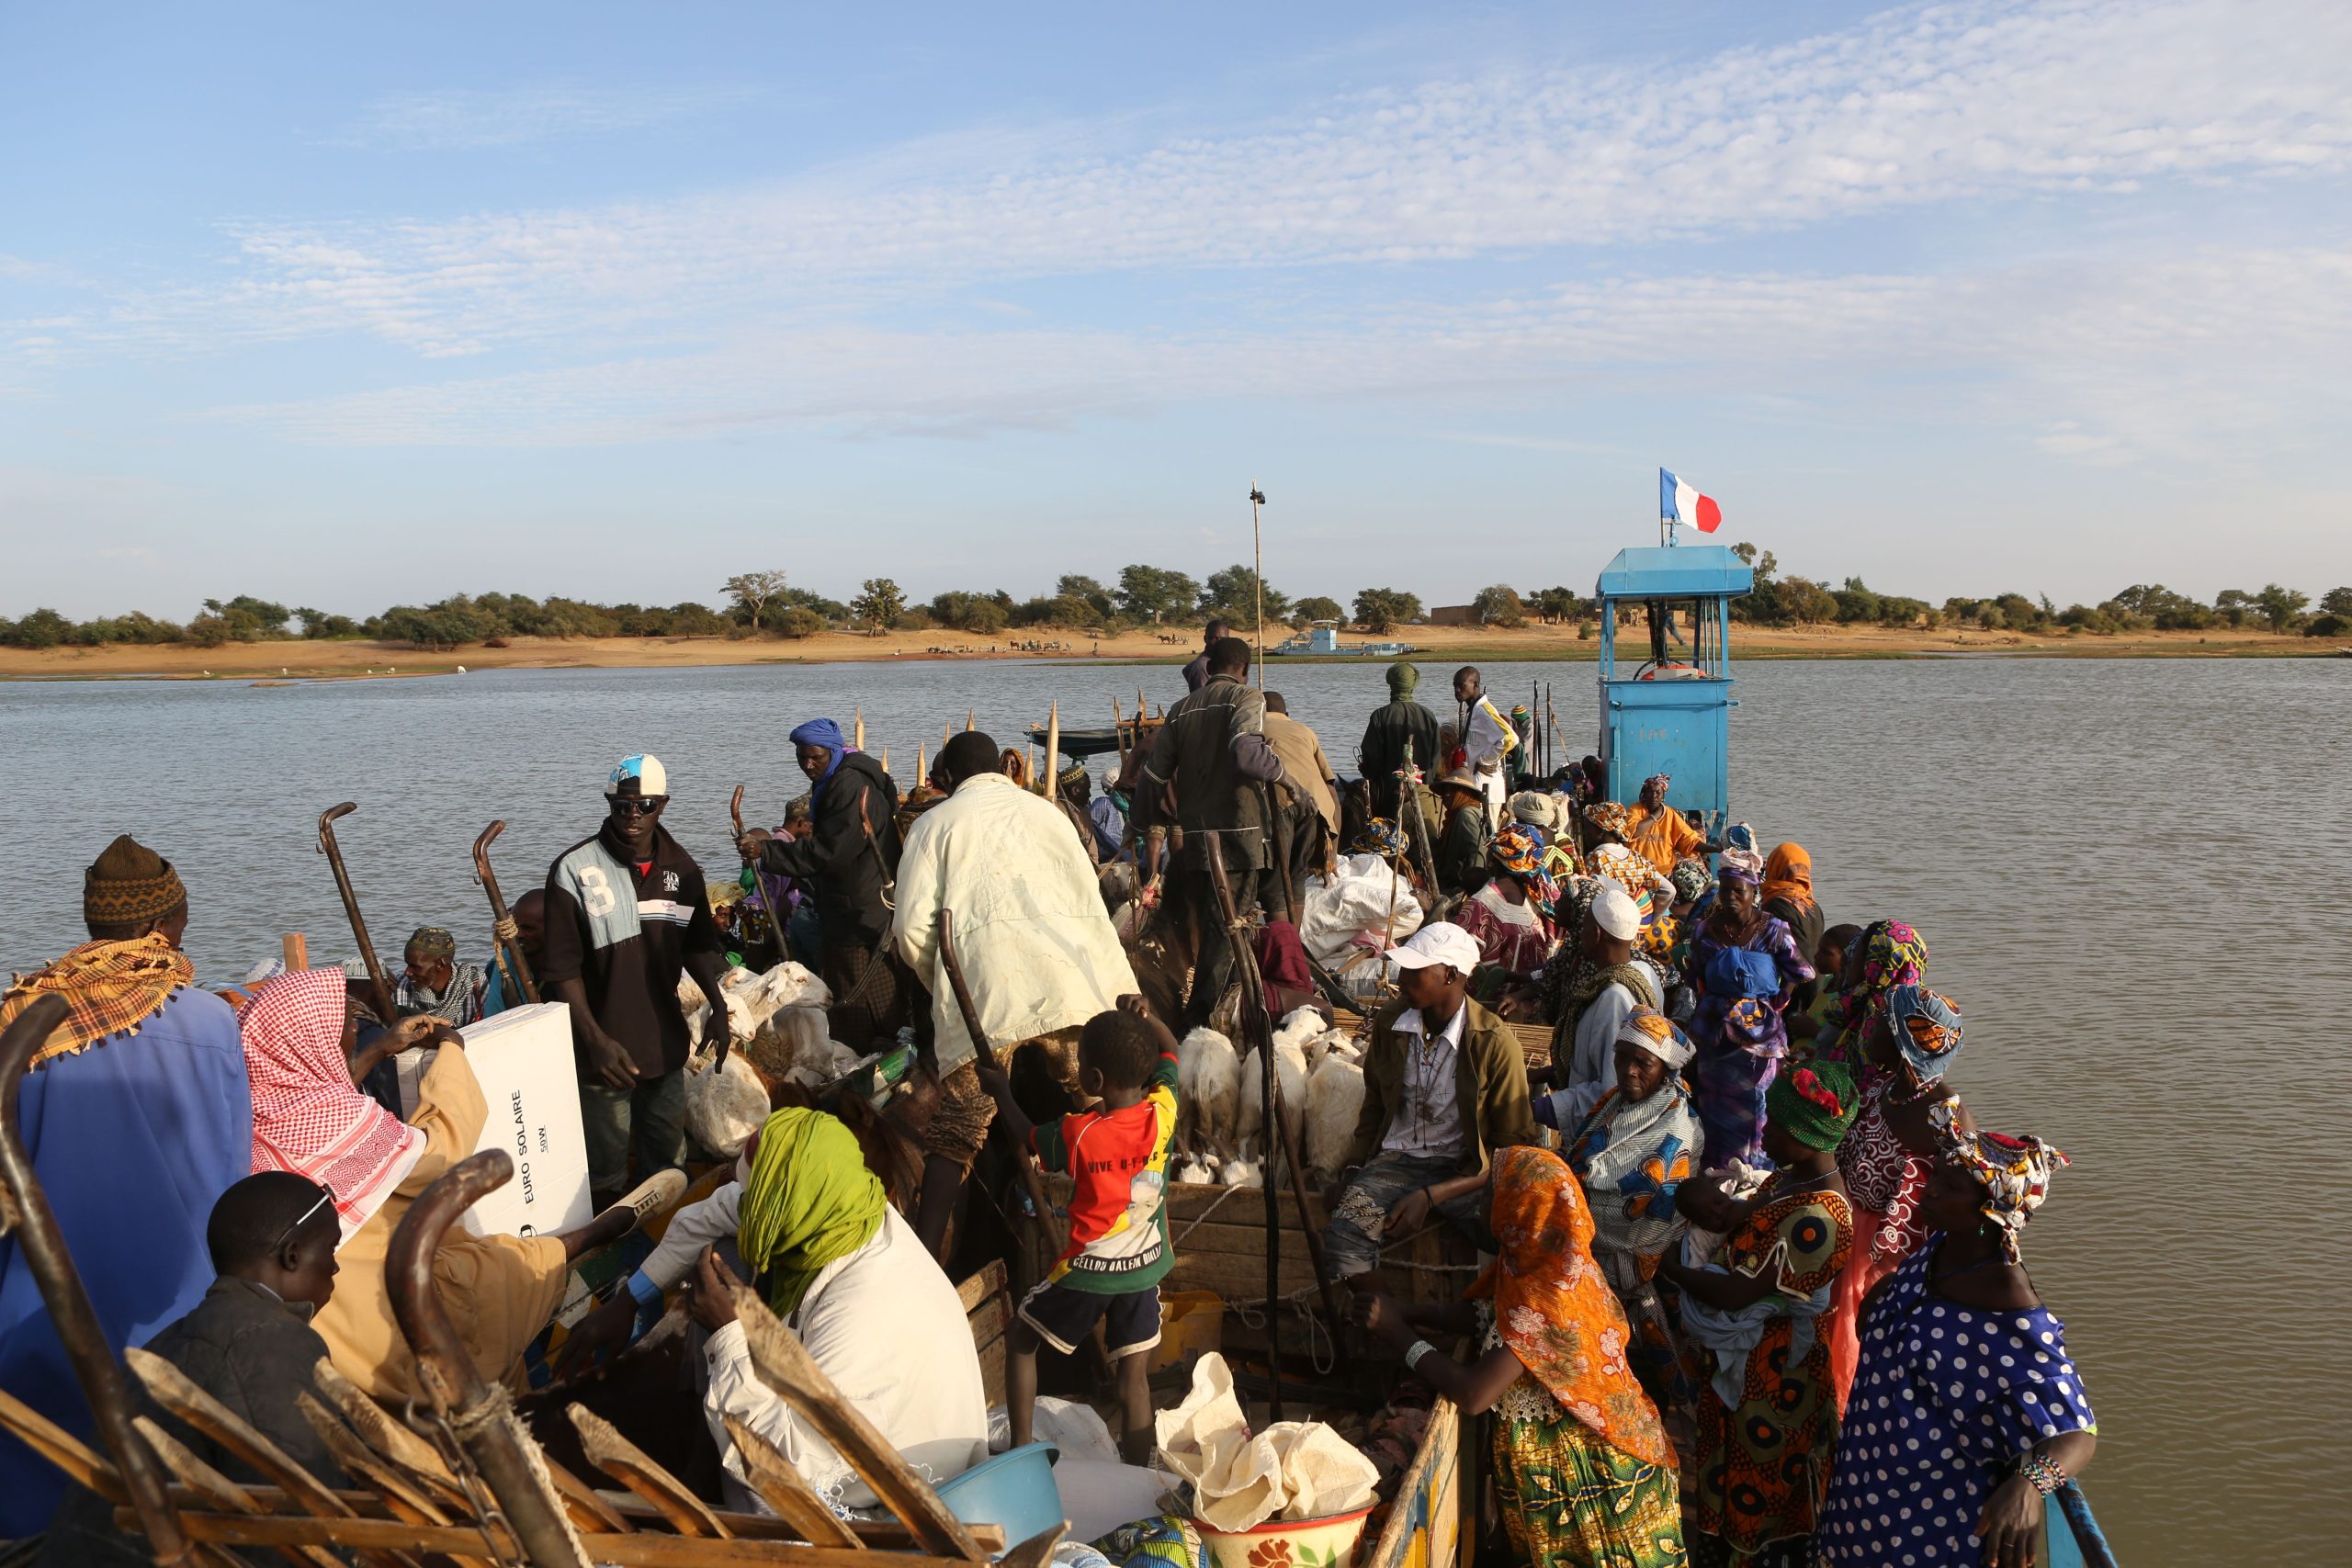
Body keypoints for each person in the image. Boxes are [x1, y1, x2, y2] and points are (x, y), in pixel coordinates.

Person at [241, 968, 662, 1401]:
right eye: (344, 1023)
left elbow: (319, 1087)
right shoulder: (333, 1119)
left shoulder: (250, 1121)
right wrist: (453, 1051)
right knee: (498, 1273)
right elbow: (440, 1151)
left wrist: (382, 1047)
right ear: (310, 1041)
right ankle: (583, 1238)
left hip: (331, 1328)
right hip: (388, 1310)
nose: (353, 1030)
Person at [0, 835, 253, 1537]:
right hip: (177, 1299)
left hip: (42, 1301)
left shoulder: (23, 1019)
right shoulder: (210, 1019)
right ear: (163, 924)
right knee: (169, 1484)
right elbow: (234, 1168)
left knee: (41, 1481)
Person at [572, 1109, 989, 1513]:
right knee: (728, 1255)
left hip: (879, 1508)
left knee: (726, 1292)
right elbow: (715, 1213)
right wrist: (628, 1300)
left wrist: (728, 1333)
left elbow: (799, 1476)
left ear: (783, 1204)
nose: (744, 1205)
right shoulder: (836, 1204)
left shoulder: (860, 1316)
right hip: (851, 1439)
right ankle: (703, 1459)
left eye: (755, 1199)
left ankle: (708, 1480)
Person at [1349, 1145, 1685, 1568]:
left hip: (1594, 1481)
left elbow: (1474, 1394)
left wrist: (1399, 1335)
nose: (1483, 1205)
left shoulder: (1549, 1294)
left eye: (1493, 1194)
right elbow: (1490, 1317)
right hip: (1572, 1469)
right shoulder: (1543, 1260)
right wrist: (1407, 1311)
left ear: (1521, 1207)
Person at [890, 730, 1141, 1252]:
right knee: (1093, 1098)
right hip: (1071, 985)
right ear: (1003, 770)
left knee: (957, 1131)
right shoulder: (1048, 813)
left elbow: (911, 930)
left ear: (948, 778)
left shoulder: (933, 825)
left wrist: (946, 987)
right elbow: (1088, 894)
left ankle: (928, 1258)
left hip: (985, 997)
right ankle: (1124, 1224)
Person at [1818, 1105, 2093, 1567]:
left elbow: (2078, 1432)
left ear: (1990, 1211)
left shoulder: (2009, 1305)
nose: (1930, 1188)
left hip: (1929, 1521)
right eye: (1938, 1176)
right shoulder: (1941, 1248)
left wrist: (2030, 1485)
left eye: (1951, 1187)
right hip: (1867, 1489)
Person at [37, 1172, 348, 1567]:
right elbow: (301, 1516)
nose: (335, 1267)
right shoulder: (270, 1338)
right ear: (293, 1255)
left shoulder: (169, 1342)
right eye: (330, 1249)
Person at [1657, 1061, 1859, 1568]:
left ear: (1807, 1136)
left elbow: (1736, 1296)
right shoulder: (1790, 1179)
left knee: (1760, 1484)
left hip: (1775, 1380)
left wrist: (1671, 1269)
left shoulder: (1820, 1216)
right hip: (1749, 1369)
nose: (1764, 1130)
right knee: (1731, 1473)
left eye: (1778, 1125)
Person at [980, 998, 1177, 1465]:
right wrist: (1150, 1017)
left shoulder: (1080, 1133)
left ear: (1094, 1081)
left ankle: (1021, 1450)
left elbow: (1027, 1134)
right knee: (1134, 1382)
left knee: (1020, 1339)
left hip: (1090, 1269)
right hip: (1145, 1266)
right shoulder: (1163, 1112)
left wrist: (1001, 1091)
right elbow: (1171, 1051)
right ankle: (1138, 1476)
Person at [545, 754, 731, 1210]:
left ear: (662, 805)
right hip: (603, 1054)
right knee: (605, 1172)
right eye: (622, 805)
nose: (633, 814)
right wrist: (595, 1041)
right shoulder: (573, 870)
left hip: (663, 1043)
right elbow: (563, 971)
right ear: (610, 803)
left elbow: (697, 948)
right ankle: (604, 1236)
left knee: (668, 1164)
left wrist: (720, 1006)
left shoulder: (682, 870)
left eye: (644, 805)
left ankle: (664, 1234)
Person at [1321, 923, 1534, 1279]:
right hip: (1396, 1163)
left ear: (1450, 975)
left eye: (1413, 971)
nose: (1401, 980)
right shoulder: (1391, 1023)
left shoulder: (1494, 1042)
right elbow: (1374, 1103)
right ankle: (1381, 1310)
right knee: (1343, 1239)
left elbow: (1511, 1149)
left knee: (1522, 1237)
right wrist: (1354, 1168)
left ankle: (1465, 1309)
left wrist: (1431, 1196)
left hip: (1465, 1171)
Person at [1546, 1010, 1704, 1424]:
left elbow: (1644, 1225)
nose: (1629, 1070)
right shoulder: (1614, 1103)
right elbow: (1582, 1158)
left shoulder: (1676, 1131)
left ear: (1665, 1069)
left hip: (1636, 1276)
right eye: (1622, 1057)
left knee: (1637, 1387)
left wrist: (1572, 1206)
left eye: (1643, 1063)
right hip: (1595, 1264)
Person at [1821, 983, 1971, 1412]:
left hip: (1880, 1255)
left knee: (1854, 1340)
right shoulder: (1885, 1086)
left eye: (1882, 1024)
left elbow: (1963, 1202)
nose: (1870, 1030)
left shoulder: (1948, 1117)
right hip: (1841, 1225)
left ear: (1907, 1038)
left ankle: (1846, 1419)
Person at [1135, 637, 1285, 1026]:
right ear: (1244, 669)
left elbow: (1153, 776)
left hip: (1196, 838)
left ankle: (1216, 1006)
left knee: (1213, 925)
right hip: (1240, 835)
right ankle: (1204, 1016)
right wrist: (1287, 779)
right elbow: (1246, 752)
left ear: (1209, 666)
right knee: (1228, 929)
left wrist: (1136, 824)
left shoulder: (1181, 709)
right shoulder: (1247, 698)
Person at [741, 721, 905, 1050]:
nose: (808, 764)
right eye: (802, 757)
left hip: (857, 907)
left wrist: (767, 851)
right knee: (875, 981)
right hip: (868, 900)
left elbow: (830, 851)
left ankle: (857, 1053)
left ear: (832, 752)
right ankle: (884, 1043)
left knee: (853, 988)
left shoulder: (847, 785)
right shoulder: (844, 778)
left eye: (815, 757)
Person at [1687, 860, 1815, 1167]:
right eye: (1725, 890)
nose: (1730, 897)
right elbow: (1695, 974)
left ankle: (1755, 1173)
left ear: (1753, 892)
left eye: (1738, 891)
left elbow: (1802, 971)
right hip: (1716, 1036)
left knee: (1758, 1110)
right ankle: (1719, 1172)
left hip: (1761, 1037)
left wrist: (1781, 998)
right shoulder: (1705, 930)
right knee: (1714, 1108)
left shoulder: (1773, 929)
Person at [1544, 884, 1662, 1095]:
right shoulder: (1645, 972)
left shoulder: (1614, 998)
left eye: (1584, 926)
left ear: (1596, 934)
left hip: (1594, 1114)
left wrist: (1545, 1107)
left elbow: (1610, 1089)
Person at [1452, 824, 1555, 1006]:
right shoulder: (1538, 896)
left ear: (1493, 860)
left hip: (1489, 1005)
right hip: (1530, 1000)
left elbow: (1457, 959)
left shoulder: (1480, 903)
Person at [1261, 691, 1340, 908]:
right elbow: (1332, 792)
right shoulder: (1305, 731)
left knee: (1275, 882)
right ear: (1287, 714)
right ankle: (1292, 929)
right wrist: (1332, 855)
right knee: (1297, 877)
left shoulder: (1252, 730)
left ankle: (1277, 926)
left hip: (1277, 803)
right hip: (1314, 804)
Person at [1815, 919, 1928, 1066]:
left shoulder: (1881, 1016)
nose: (1850, 959)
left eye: (1856, 953)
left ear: (1875, 961)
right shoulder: (1920, 1009)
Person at [1357, 660, 1442, 820]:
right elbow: (1435, 757)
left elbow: (1371, 759)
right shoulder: (1428, 716)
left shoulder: (1380, 716)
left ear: (1391, 684)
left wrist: (1367, 770)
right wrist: (1426, 783)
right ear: (1413, 685)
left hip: (1388, 798)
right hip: (1422, 795)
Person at [1453, 667, 1517, 829]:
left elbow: (1510, 738)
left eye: (1461, 685)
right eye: (1455, 686)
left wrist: (1485, 761)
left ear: (1475, 685)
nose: (1457, 690)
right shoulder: (1473, 710)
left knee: (1487, 835)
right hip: (1476, 785)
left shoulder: (1484, 710)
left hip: (1487, 787)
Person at [391, 924, 489, 1025]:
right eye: (407, 964)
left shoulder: (478, 986)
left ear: (440, 964)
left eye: (415, 967)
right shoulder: (398, 987)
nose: (407, 972)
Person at [480, 888, 549, 1016]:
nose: (518, 934)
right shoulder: (507, 959)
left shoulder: (570, 957)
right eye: (515, 926)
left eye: (528, 928)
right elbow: (494, 1014)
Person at [1624, 773, 1706, 879]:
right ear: (1644, 794)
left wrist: (1714, 849)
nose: (1654, 796)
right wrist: (1656, 816)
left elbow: (1689, 840)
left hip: (1663, 872)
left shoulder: (1670, 814)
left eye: (1658, 792)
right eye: (1650, 792)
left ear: (1663, 796)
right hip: (1637, 871)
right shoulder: (1635, 809)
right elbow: (1635, 832)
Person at [1430, 767, 1491, 899]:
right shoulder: (1455, 814)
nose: (1447, 794)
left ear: (1464, 793)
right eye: (1445, 791)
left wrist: (1469, 891)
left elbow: (1477, 853)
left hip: (1462, 885)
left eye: (1453, 790)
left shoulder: (1466, 814)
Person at [1181, 618, 1232, 692]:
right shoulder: (1203, 666)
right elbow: (1204, 697)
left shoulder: (1220, 661)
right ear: (1205, 639)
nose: (1219, 642)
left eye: (1223, 638)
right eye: (1214, 638)